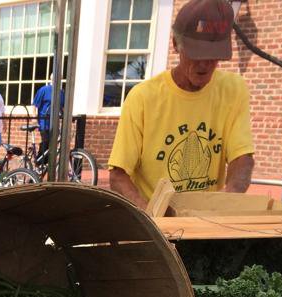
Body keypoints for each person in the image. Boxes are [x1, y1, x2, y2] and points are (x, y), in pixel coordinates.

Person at [108, 0, 255, 210]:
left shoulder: (234, 89)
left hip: (206, 217)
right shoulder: (143, 97)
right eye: (196, 53)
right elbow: (118, 176)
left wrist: (228, 198)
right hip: (155, 216)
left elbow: (243, 157)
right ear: (176, 45)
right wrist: (150, 217)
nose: (204, 64)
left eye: (213, 56)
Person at [31, 76, 64, 160]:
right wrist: (34, 118)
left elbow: (62, 108)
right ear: (51, 79)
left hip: (55, 123)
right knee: (46, 143)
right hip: (44, 122)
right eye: (55, 78)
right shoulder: (44, 90)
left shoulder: (61, 92)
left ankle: (45, 164)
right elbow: (35, 105)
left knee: (53, 145)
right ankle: (40, 162)